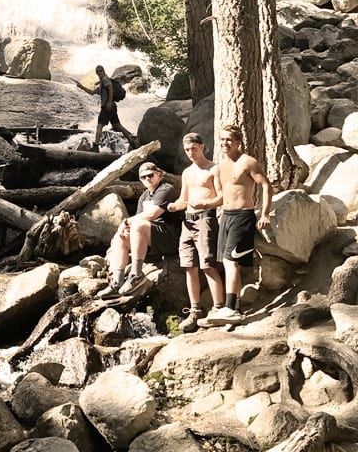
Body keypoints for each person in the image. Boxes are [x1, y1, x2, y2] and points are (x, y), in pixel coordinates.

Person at [204, 125, 272, 326]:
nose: (225, 143)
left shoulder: (248, 162)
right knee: (226, 263)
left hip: (243, 216)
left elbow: (266, 185)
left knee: (230, 262)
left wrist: (265, 213)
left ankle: (230, 308)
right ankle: (236, 308)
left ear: (238, 142)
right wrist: (204, 205)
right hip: (225, 216)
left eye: (229, 140)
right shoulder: (220, 166)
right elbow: (223, 195)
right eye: (222, 140)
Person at [166, 133, 225, 333]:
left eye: (194, 148)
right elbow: (184, 198)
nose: (191, 153)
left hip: (206, 219)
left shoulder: (214, 169)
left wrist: (205, 204)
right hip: (187, 222)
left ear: (202, 147)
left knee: (207, 265)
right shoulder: (187, 172)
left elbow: (222, 197)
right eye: (187, 150)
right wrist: (174, 206)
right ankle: (195, 310)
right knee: (189, 266)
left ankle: (218, 309)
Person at [97, 162, 179, 299]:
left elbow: (153, 214)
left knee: (138, 225)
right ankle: (117, 281)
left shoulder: (166, 189)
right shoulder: (144, 196)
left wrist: (127, 222)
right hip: (150, 239)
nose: (147, 179)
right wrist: (127, 230)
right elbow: (137, 221)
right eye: (143, 177)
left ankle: (136, 274)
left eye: (150, 175)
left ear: (158, 174)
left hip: (170, 237)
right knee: (120, 236)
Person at [75, 65, 137, 151]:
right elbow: (92, 92)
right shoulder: (101, 84)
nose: (99, 72)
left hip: (107, 107)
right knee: (117, 126)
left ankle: (96, 146)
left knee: (99, 126)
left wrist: (108, 103)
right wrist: (81, 87)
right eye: (97, 71)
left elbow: (110, 88)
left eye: (100, 70)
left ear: (103, 71)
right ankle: (132, 141)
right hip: (112, 107)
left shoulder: (105, 79)